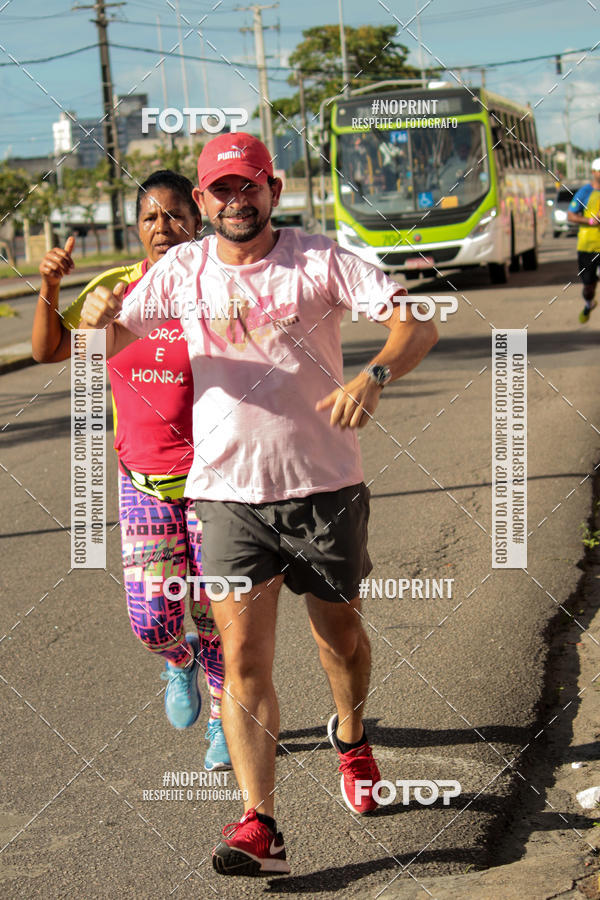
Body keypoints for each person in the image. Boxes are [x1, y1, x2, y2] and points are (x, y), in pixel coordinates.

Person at [79, 133, 438, 876]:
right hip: (226, 497)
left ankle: (351, 732)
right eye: (221, 191)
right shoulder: (182, 269)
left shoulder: (319, 259)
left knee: (339, 640)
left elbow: (419, 318)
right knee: (241, 656)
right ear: (203, 202)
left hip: (323, 488)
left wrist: (374, 374)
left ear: (271, 189)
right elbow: (117, 338)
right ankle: (260, 824)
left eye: (250, 187)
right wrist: (96, 317)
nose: (236, 202)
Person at [31, 170, 231, 771]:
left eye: (175, 215)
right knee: (153, 620)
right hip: (144, 481)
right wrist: (49, 287)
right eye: (150, 218)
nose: (163, 228)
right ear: (136, 229)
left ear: (197, 221)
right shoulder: (118, 290)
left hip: (218, 484)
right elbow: (50, 350)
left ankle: (226, 720)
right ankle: (178, 662)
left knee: (218, 613)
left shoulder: (221, 287)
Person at [567, 159, 600, 323]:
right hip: (588, 246)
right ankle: (589, 304)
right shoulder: (584, 192)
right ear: (593, 172)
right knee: (589, 287)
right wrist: (591, 221)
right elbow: (571, 215)